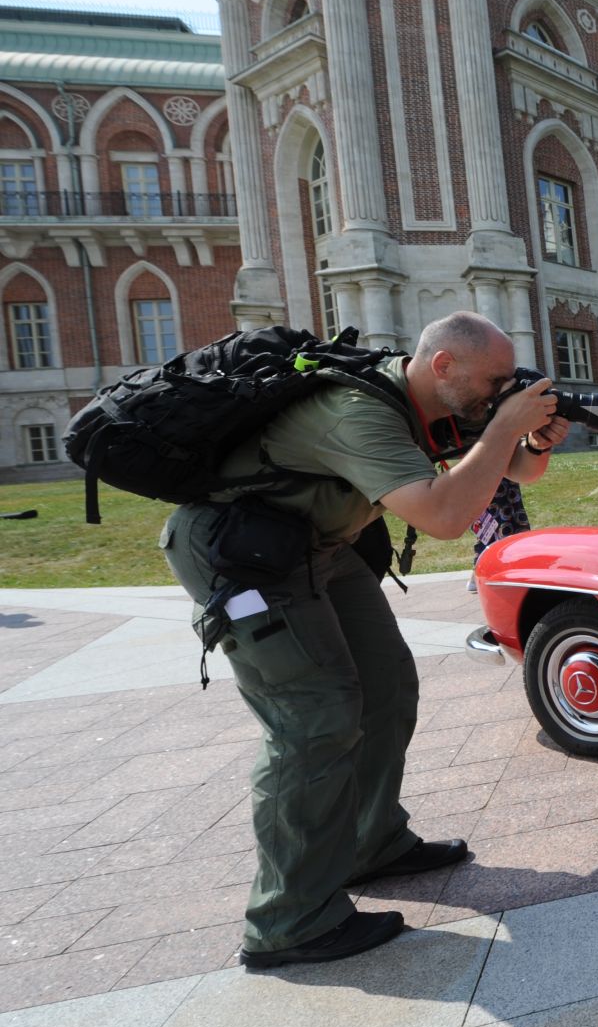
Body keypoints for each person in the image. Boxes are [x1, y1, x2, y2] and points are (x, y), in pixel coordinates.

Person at [160, 312, 567, 968]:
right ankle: (288, 919)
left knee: (385, 686)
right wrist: (503, 425)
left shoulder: (433, 400)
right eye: (493, 379)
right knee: (312, 716)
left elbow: (518, 471)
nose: (501, 390)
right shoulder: (359, 409)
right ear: (443, 366)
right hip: (241, 552)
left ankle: (367, 843)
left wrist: (533, 439)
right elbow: (442, 515)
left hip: (318, 542)